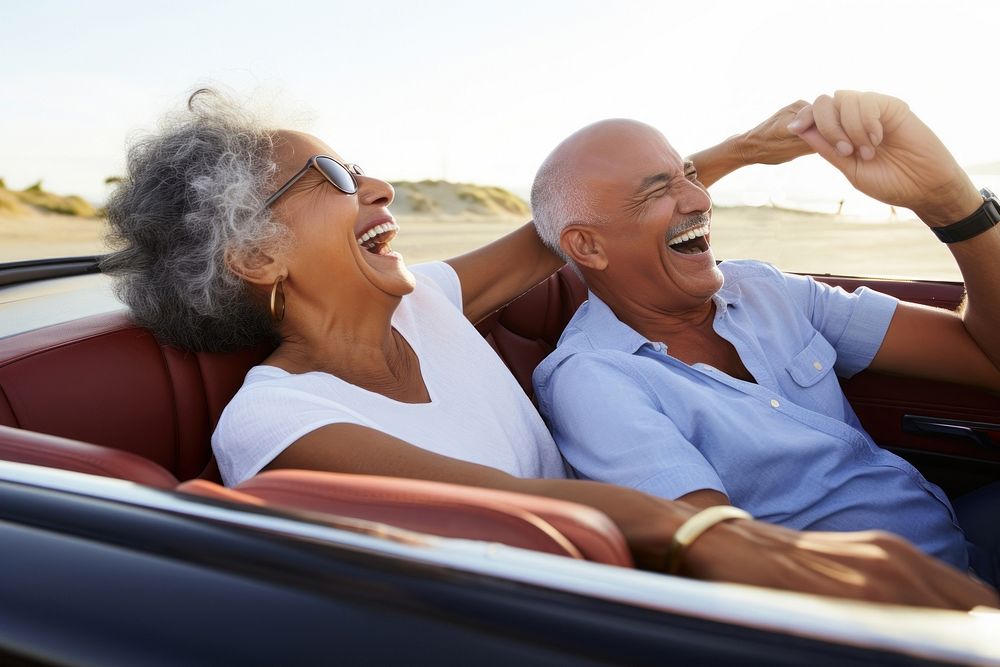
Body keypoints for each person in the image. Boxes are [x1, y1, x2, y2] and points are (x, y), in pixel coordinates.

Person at [100, 88, 997, 610]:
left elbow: (567, 228)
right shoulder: (279, 417)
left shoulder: (424, 306)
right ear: (257, 254)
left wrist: (743, 151)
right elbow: (518, 504)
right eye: (335, 178)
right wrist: (746, 544)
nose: (378, 185)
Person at [530, 91, 1000, 587]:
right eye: (655, 191)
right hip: (885, 603)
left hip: (955, 535)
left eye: (689, 174)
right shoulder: (595, 378)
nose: (700, 199)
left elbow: (985, 358)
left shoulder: (762, 289)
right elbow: (719, 557)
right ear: (587, 246)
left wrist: (952, 204)